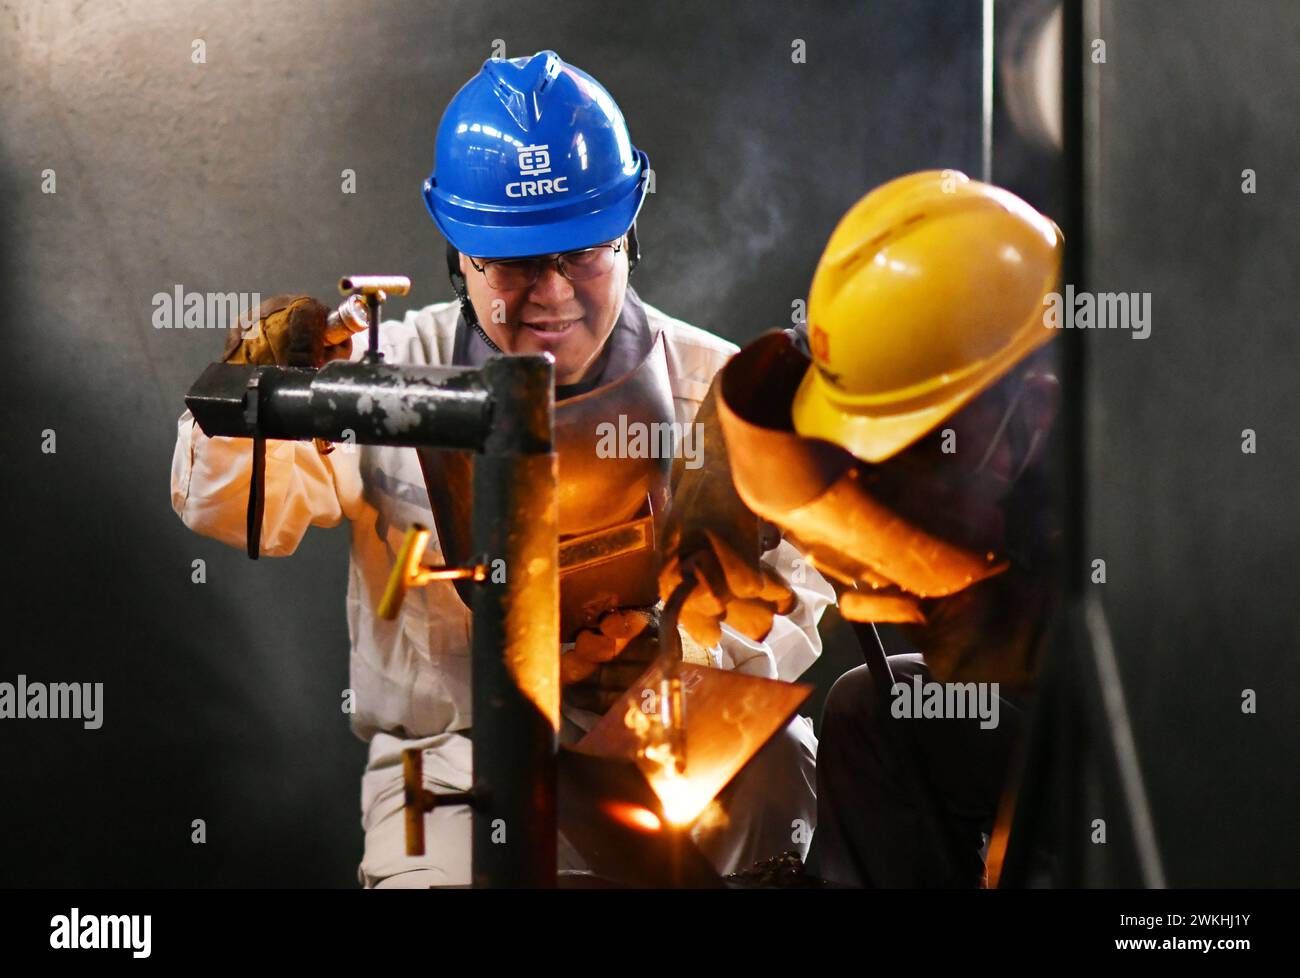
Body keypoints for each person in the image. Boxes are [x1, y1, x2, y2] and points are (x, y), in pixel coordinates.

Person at [170, 50, 833, 887]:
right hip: (451, 771)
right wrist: (256, 392)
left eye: (584, 253)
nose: (552, 293)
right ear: (458, 249)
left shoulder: (715, 384)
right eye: (516, 263)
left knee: (774, 787)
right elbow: (228, 508)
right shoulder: (385, 373)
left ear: (630, 230)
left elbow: (802, 577)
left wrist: (685, 651)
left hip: (675, 734)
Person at [660, 170, 1062, 886]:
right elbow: (787, 377)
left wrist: (1004, 620)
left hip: (1174, 754)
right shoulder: (927, 347)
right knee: (872, 710)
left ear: (1032, 414)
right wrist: (726, 478)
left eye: (905, 450)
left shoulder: (1159, 483)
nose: (872, 479)